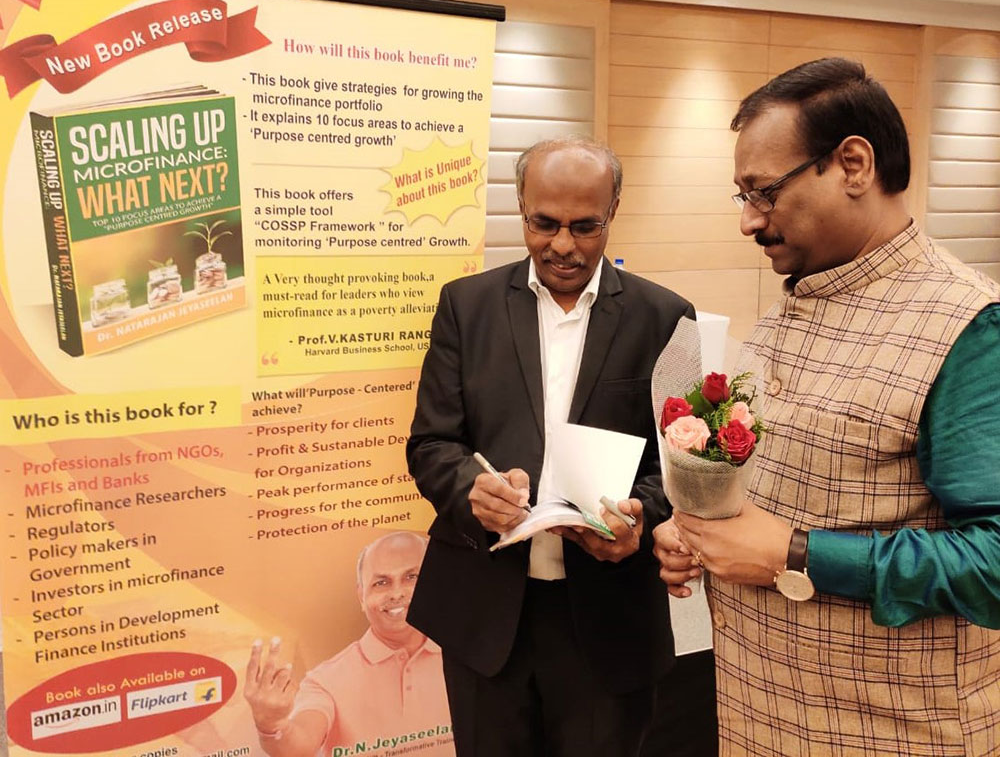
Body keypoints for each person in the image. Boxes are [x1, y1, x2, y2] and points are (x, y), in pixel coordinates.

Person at [654, 57, 1000, 756]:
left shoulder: (965, 325)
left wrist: (794, 551)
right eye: (741, 197)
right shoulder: (791, 306)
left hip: (893, 730)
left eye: (765, 192)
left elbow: (993, 560)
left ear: (852, 164)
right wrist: (701, 538)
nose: (749, 221)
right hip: (755, 716)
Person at [405, 135, 696, 757]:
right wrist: (470, 492)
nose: (563, 245)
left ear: (613, 210)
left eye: (586, 227)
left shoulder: (666, 316)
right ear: (521, 207)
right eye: (545, 223)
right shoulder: (466, 306)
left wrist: (641, 518)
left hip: (609, 621)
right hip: (486, 615)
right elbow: (432, 443)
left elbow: (682, 462)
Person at [244, 531, 452, 757]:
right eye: (381, 582)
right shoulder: (325, 681)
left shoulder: (471, 658)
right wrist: (272, 726)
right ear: (361, 596)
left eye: (412, 577)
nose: (397, 593)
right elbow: (299, 746)